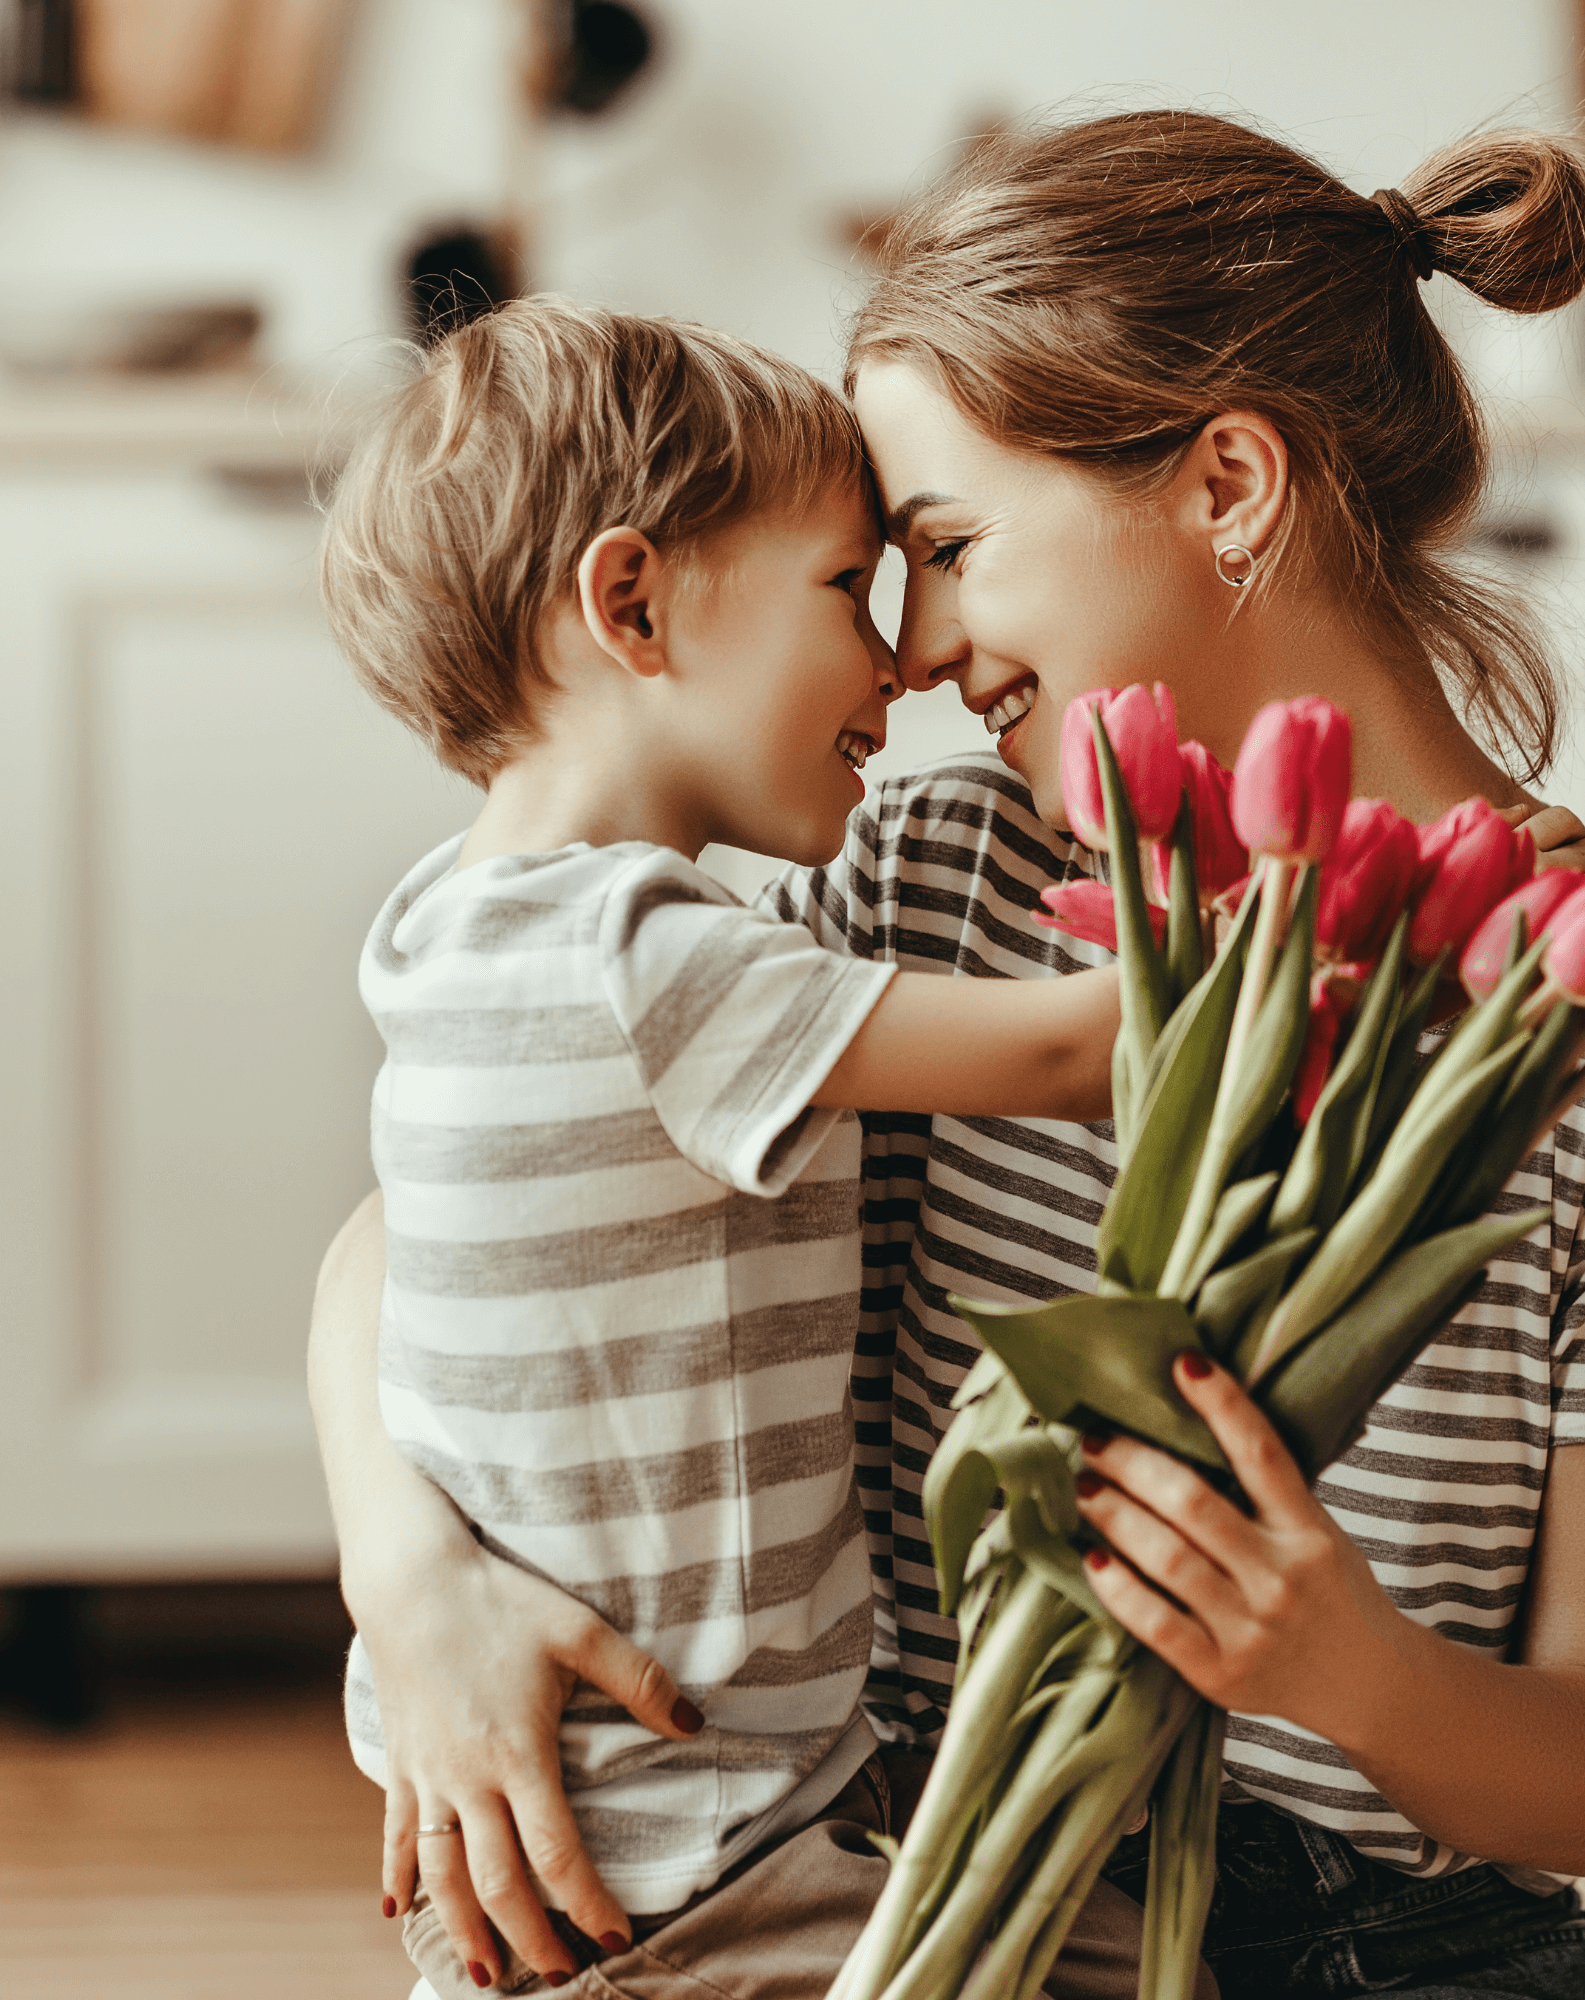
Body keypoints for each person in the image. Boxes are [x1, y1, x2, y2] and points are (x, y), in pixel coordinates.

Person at [311, 114, 1585, 2000]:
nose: (917, 649)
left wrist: (1342, 1663)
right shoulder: (933, 877)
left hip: (1372, 1948)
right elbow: (441, 1212)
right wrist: (412, 1578)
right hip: (896, 1888)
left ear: (1231, 483)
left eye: (943, 546)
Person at [316, 297, 1169, 2000]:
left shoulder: (453, 923)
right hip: (695, 1847)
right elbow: (1090, 1053)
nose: (893, 656)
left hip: (625, 1815)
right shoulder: (648, 960)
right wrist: (1432, 883)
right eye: (849, 585)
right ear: (631, 603)